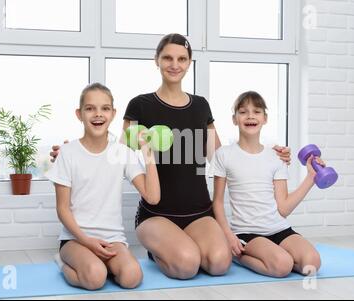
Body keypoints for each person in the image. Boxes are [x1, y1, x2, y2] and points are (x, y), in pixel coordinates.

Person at [51, 33, 291, 280]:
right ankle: (159, 253)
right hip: (156, 215)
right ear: (156, 60)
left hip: (199, 212)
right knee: (187, 267)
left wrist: (269, 153)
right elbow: (115, 153)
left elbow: (221, 157)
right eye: (167, 58)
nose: (174, 64)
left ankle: (186, 246)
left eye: (182, 59)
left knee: (220, 264)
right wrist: (74, 150)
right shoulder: (140, 105)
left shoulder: (200, 106)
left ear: (189, 63)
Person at [46, 83, 160, 290]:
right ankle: (63, 263)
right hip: (76, 239)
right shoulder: (68, 153)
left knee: (132, 277)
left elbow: (152, 197)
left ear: (113, 113)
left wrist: (148, 151)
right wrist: (87, 241)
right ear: (79, 114)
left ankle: (104, 266)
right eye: (90, 108)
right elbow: (62, 209)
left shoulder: (122, 153)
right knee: (95, 278)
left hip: (113, 239)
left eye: (105, 108)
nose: (98, 114)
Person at [211, 91, 321, 278]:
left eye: (257, 111)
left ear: (265, 118)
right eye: (243, 112)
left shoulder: (276, 156)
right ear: (234, 119)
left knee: (312, 264)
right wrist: (229, 237)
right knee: (282, 266)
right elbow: (217, 203)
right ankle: (240, 256)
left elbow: (284, 208)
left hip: (279, 228)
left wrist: (311, 178)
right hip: (247, 233)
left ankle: (277, 256)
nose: (250, 116)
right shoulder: (224, 154)